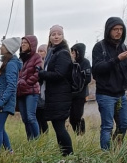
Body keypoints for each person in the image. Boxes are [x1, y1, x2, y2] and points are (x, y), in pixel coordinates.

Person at [91, 17, 127, 150]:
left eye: (121, 29)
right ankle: (106, 155)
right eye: (115, 29)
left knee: (124, 124)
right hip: (105, 93)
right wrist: (117, 59)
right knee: (107, 126)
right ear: (109, 30)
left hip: (120, 93)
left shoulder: (123, 46)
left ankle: (115, 149)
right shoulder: (99, 47)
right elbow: (97, 69)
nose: (118, 32)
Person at [38, 25, 74, 156]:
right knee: (57, 127)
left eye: (59, 34)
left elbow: (59, 74)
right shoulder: (52, 52)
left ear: (63, 36)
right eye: (53, 34)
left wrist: (41, 74)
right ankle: (64, 155)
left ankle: (69, 156)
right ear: (50, 37)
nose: (56, 36)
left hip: (61, 96)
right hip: (54, 96)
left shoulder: (63, 53)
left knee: (59, 128)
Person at [0, 37, 22, 156]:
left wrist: (1, 102)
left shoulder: (11, 65)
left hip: (4, 102)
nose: (0, 47)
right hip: (2, 101)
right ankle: (9, 151)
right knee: (0, 127)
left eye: (3, 46)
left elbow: (11, 86)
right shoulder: (8, 63)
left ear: (8, 49)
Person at [16, 35, 42, 140]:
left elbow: (38, 73)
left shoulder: (36, 57)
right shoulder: (20, 58)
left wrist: (26, 83)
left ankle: (38, 141)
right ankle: (30, 141)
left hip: (31, 91)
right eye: (22, 43)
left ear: (31, 45)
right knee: (25, 119)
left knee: (31, 117)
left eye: (25, 43)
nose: (23, 45)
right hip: (21, 92)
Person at [69, 43, 92, 135]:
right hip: (70, 93)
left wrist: (77, 82)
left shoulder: (85, 62)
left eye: (74, 52)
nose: (72, 54)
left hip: (80, 94)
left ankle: (81, 133)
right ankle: (77, 134)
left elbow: (87, 78)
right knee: (71, 118)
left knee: (77, 116)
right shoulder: (70, 62)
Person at [36, 44, 49, 134]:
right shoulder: (36, 63)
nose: (40, 53)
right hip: (37, 92)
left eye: (42, 51)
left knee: (43, 118)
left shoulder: (47, 63)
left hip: (44, 91)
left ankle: (45, 135)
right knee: (37, 116)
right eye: (39, 51)